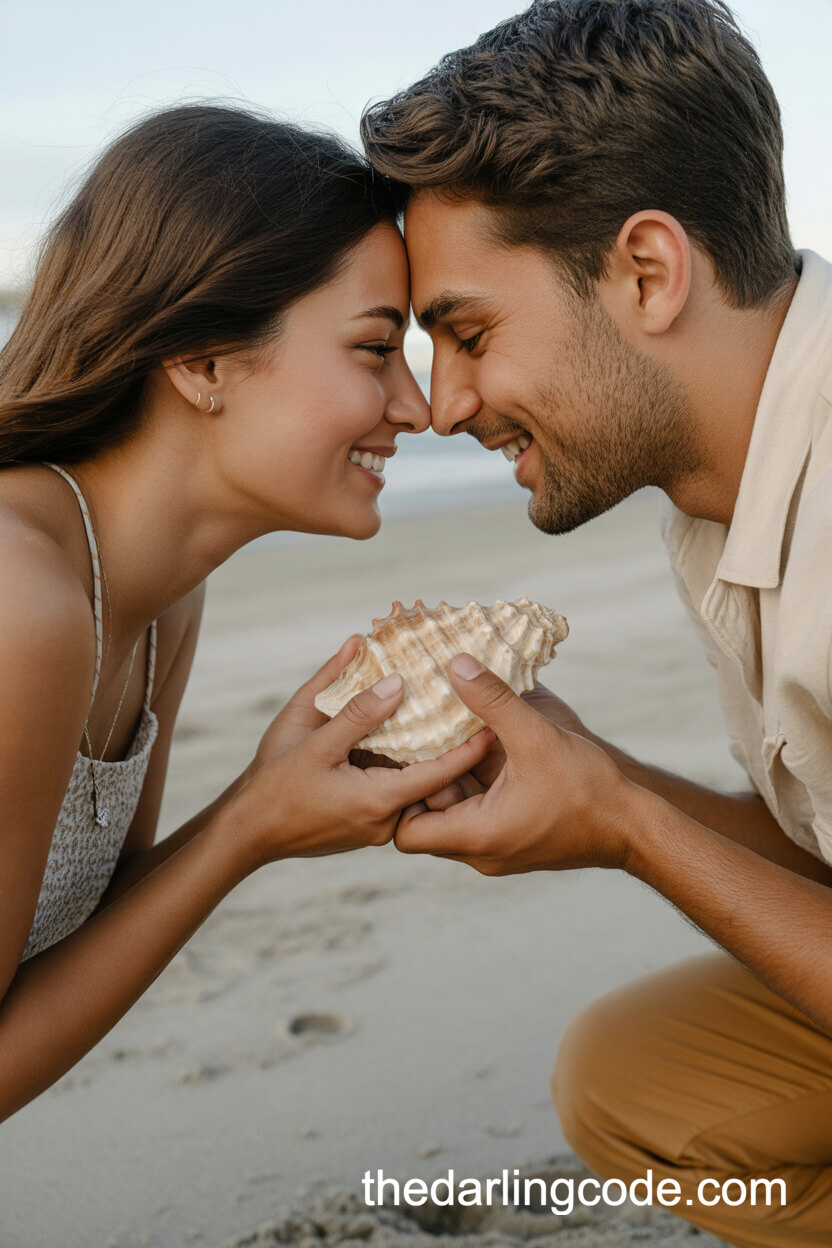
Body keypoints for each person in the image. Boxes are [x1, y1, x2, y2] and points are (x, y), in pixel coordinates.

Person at [360, 1, 832, 1244]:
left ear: (647, 272)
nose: (442, 405)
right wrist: (593, 772)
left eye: (466, 333)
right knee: (644, 1075)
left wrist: (626, 828)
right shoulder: (724, 489)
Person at [0, 103, 493, 1122]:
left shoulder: (154, 594)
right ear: (201, 358)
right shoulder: (22, 604)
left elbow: (78, 951)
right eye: (372, 350)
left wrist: (264, 804)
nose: (421, 407)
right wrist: (249, 828)